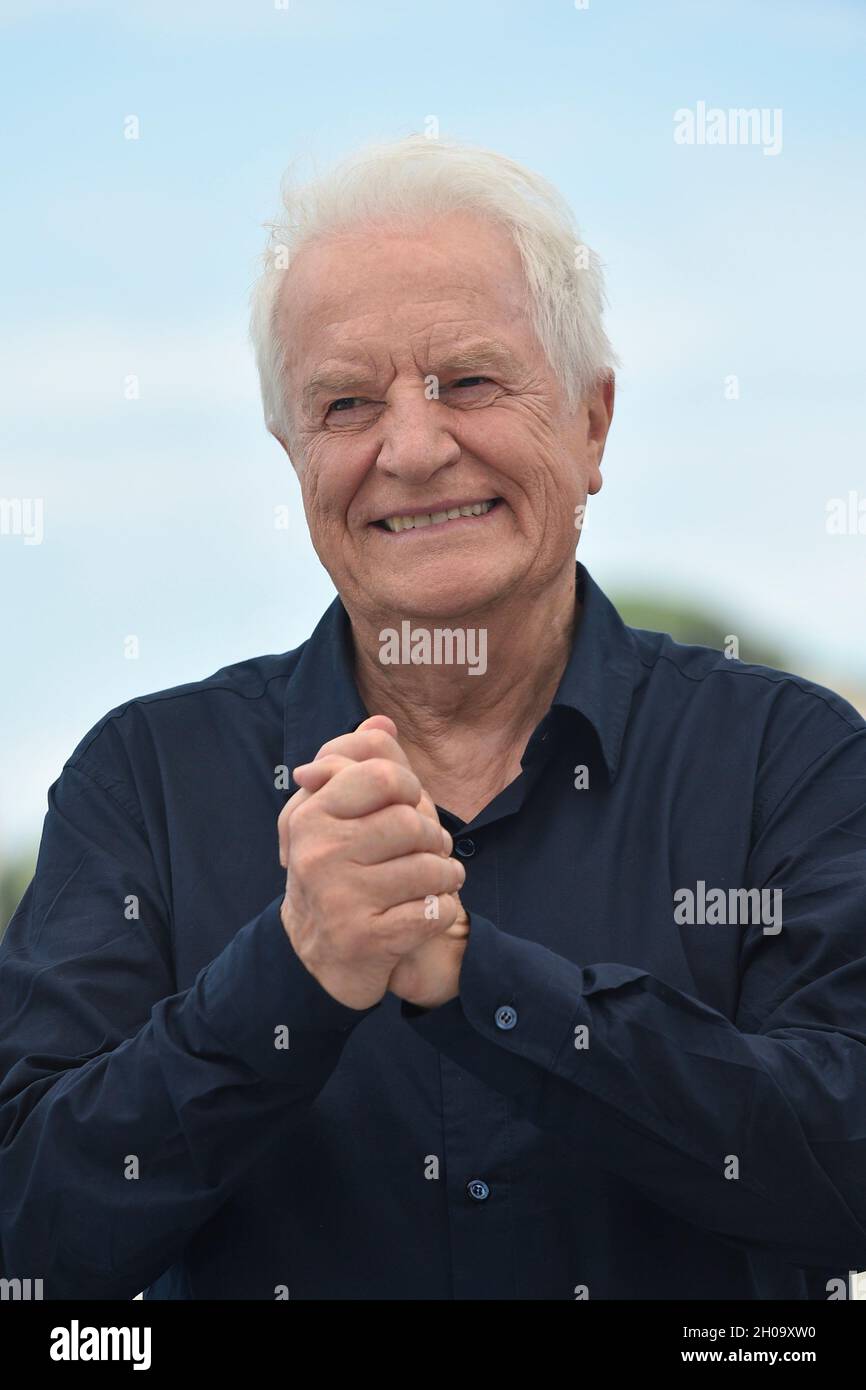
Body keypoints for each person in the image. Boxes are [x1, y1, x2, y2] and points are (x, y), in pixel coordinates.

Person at [2, 135, 865, 1301]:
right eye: (345, 401)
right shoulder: (141, 780)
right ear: (293, 454)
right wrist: (290, 973)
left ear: (592, 423)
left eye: (468, 380)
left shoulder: (789, 760)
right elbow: (31, 1243)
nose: (410, 449)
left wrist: (483, 983)